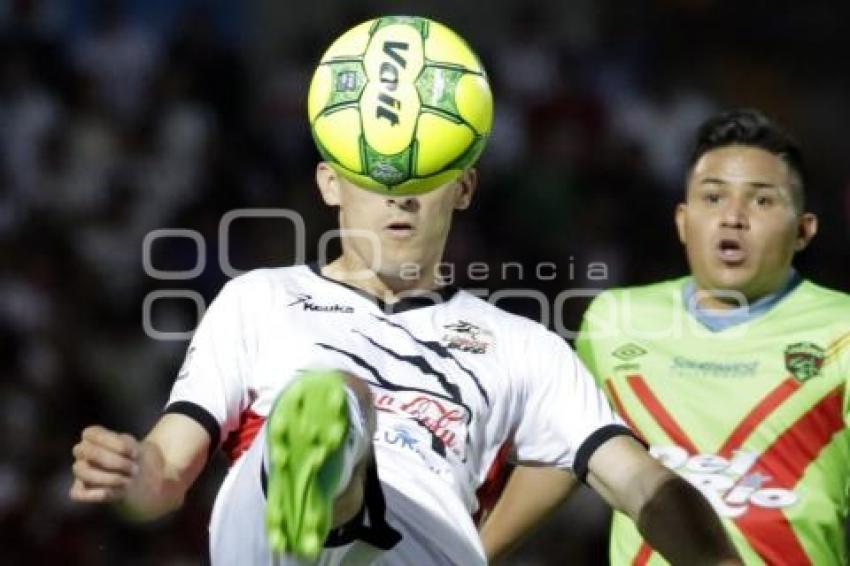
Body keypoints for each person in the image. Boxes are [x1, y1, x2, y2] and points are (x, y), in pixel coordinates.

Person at [69, 20, 742, 566]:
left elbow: (641, 481)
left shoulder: (524, 346)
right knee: (333, 395)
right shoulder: (258, 302)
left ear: (466, 188)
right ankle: (325, 476)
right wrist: (129, 478)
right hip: (271, 537)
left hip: (419, 546)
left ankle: (337, 477)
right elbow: (165, 473)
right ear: (329, 184)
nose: (399, 197)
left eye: (423, 176)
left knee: (340, 405)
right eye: (374, 176)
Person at [481, 108, 850, 565]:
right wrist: (469, 553)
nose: (733, 217)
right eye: (713, 197)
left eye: (761, 201)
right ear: (682, 220)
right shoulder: (615, 320)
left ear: (804, 230)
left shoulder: (842, 330)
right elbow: (563, 453)